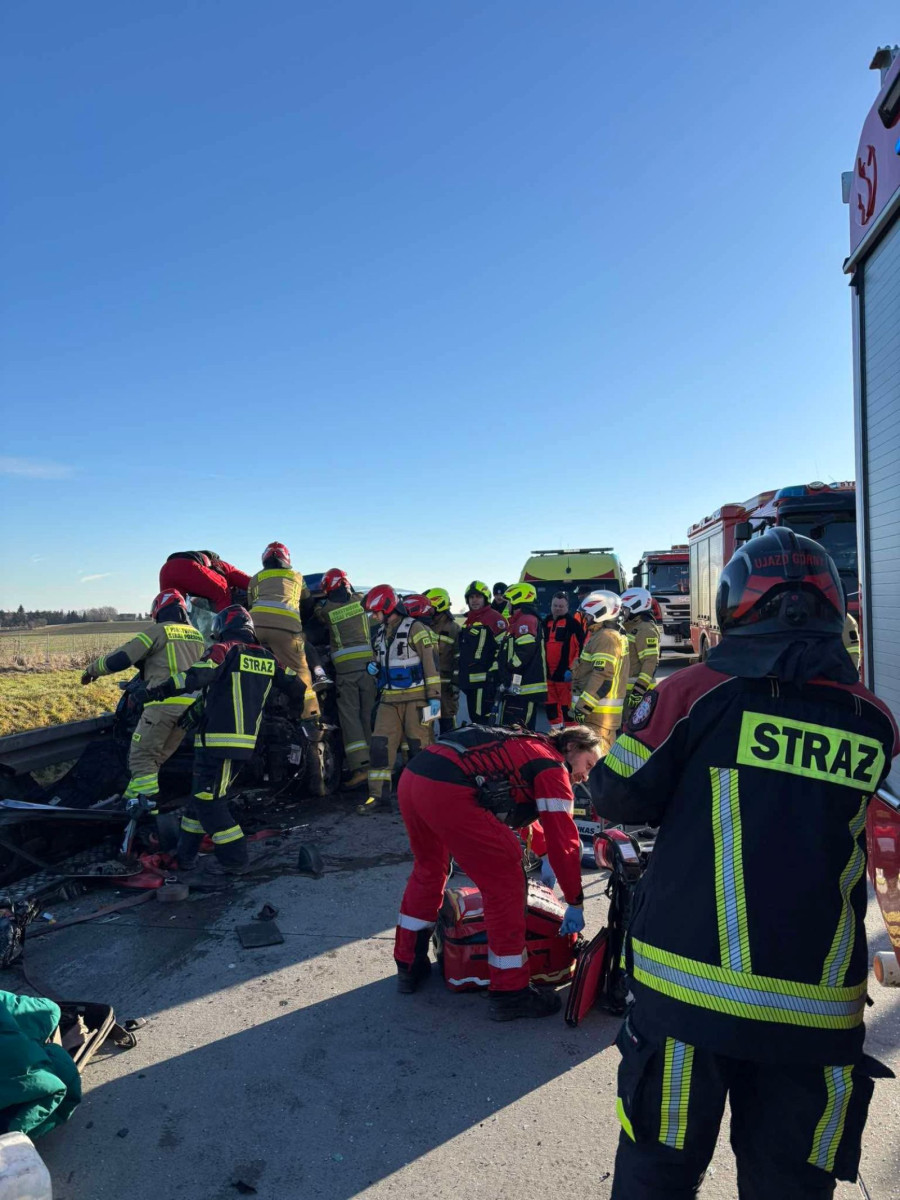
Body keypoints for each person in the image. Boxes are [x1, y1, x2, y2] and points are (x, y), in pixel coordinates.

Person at [591, 528, 898, 1199]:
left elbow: (615, 795)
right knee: (791, 1187)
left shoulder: (692, 692)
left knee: (657, 1177)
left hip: (685, 1004)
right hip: (815, 1016)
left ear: (736, 605)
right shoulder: (874, 719)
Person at [393, 723, 599, 1018]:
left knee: (429, 868)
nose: (586, 776)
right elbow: (563, 840)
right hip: (448, 787)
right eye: (588, 765)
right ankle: (510, 992)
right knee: (506, 884)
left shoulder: (528, 747)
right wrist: (575, 901)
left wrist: (543, 852)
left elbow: (517, 810)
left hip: (415, 776)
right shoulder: (553, 767)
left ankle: (408, 965)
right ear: (571, 748)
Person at [143, 605, 307, 882]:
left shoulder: (224, 649)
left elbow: (196, 676)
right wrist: (293, 712)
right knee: (198, 801)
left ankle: (235, 859)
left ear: (224, 627)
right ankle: (185, 856)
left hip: (217, 742)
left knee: (209, 802)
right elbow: (297, 686)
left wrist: (157, 691)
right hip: (243, 743)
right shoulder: (268, 658)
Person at [81, 589, 206, 804]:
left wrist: (92, 670)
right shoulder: (198, 636)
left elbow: (121, 658)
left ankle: (142, 808)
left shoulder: (159, 631)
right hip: (191, 710)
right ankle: (135, 802)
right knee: (155, 760)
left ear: (159, 610)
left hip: (163, 705)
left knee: (141, 758)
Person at [361, 585, 441, 813]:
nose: (373, 617)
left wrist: (435, 698)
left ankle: (427, 797)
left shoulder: (416, 629)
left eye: (375, 612)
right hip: (388, 699)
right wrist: (374, 668)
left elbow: (432, 666)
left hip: (418, 700)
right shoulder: (379, 634)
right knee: (380, 748)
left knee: (421, 748)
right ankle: (377, 797)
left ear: (388, 608)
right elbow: (379, 661)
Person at [314, 568, 377, 789]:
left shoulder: (327, 610)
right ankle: (377, 765)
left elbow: (317, 617)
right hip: (369, 670)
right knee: (368, 716)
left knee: (351, 720)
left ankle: (361, 768)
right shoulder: (361, 602)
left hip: (346, 673)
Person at [246, 542, 322, 722]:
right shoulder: (296, 576)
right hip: (286, 630)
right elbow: (307, 602)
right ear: (286, 559)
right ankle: (310, 717)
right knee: (300, 670)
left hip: (256, 628)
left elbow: (250, 604)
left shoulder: (256, 578)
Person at [571, 590, 628, 755]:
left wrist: (583, 707)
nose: (585, 618)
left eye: (588, 615)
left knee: (597, 759)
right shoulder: (603, 635)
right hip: (597, 714)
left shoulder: (606, 638)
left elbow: (602, 677)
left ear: (600, 613)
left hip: (598, 715)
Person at [495, 583, 547, 730]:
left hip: (526, 687)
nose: (507, 606)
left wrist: (509, 668)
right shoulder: (519, 620)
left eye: (509, 602)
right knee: (511, 729)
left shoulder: (526, 619)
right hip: (518, 687)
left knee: (521, 730)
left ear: (517, 599)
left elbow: (525, 650)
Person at [457, 581, 508, 723]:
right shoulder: (469, 621)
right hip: (470, 681)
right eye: (471, 597)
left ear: (486, 598)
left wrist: (494, 673)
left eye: (478, 597)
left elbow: (504, 648)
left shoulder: (495, 618)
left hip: (485, 682)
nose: (474, 600)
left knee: (483, 721)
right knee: (474, 718)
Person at [543, 591, 583, 729]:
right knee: (551, 710)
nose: (558, 608)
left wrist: (572, 669)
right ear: (551, 605)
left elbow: (580, 649)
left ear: (567, 607)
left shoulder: (573, 625)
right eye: (555, 605)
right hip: (547, 675)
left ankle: (571, 735)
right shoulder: (544, 623)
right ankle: (556, 735)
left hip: (565, 676)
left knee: (568, 710)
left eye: (561, 606)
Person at [159, 551, 250, 613]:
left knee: (172, 607)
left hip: (166, 570)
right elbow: (251, 583)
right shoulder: (228, 568)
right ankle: (228, 630)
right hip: (187, 565)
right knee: (222, 591)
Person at [424, 587, 460, 735]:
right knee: (427, 725)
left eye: (429, 606)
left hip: (446, 688)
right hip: (430, 686)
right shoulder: (424, 626)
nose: (427, 609)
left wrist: (456, 683)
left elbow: (458, 658)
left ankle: (450, 748)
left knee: (448, 725)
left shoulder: (454, 628)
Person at [619, 586, 662, 712]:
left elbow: (650, 662)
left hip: (637, 692)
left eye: (625, 608)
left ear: (635, 606)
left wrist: (639, 690)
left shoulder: (645, 629)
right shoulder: (630, 626)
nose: (622, 612)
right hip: (626, 690)